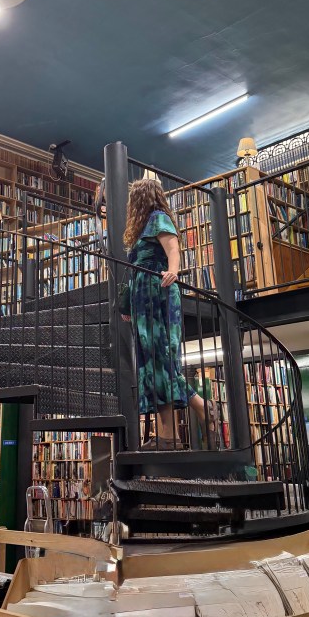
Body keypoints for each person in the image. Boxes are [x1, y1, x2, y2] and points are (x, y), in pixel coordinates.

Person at [119, 178, 210, 449]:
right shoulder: (142, 227)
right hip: (142, 298)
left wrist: (173, 270)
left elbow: (172, 247)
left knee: (161, 361)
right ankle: (170, 436)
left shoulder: (157, 218)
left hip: (158, 293)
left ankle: (194, 413)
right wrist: (128, 306)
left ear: (142, 198)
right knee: (151, 364)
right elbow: (134, 269)